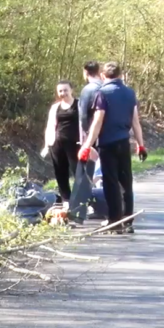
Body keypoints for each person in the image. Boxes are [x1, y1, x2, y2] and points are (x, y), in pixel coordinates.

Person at [80, 62, 148, 233]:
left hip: (107, 144)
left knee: (111, 182)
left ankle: (115, 221)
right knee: (126, 181)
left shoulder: (102, 93)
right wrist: (141, 145)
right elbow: (135, 121)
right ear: (120, 75)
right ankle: (128, 219)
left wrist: (87, 145)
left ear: (103, 76)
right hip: (124, 142)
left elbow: (97, 121)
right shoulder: (129, 93)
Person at [67, 61, 104, 225]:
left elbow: (83, 118)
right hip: (108, 137)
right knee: (107, 176)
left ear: (85, 72)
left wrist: (84, 142)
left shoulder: (88, 90)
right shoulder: (105, 87)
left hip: (91, 137)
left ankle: (77, 214)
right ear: (99, 71)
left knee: (84, 176)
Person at [42, 80, 80, 207]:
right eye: (60, 91)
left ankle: (81, 200)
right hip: (57, 144)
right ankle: (66, 200)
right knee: (60, 172)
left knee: (78, 172)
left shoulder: (79, 105)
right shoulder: (55, 107)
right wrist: (47, 145)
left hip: (76, 144)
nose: (63, 93)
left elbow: (86, 124)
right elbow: (50, 126)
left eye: (65, 90)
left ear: (71, 90)